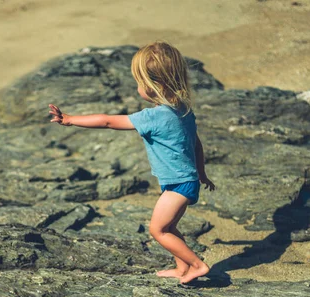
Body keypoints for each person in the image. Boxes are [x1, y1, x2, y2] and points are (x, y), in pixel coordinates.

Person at [49, 41, 215, 284]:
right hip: (184, 181)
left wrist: (71, 119)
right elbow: (196, 143)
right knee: (169, 228)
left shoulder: (154, 117)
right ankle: (181, 267)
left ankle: (197, 265)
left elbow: (107, 121)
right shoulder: (183, 109)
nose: (137, 87)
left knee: (157, 230)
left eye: (139, 82)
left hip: (178, 185)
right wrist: (201, 173)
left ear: (154, 85)